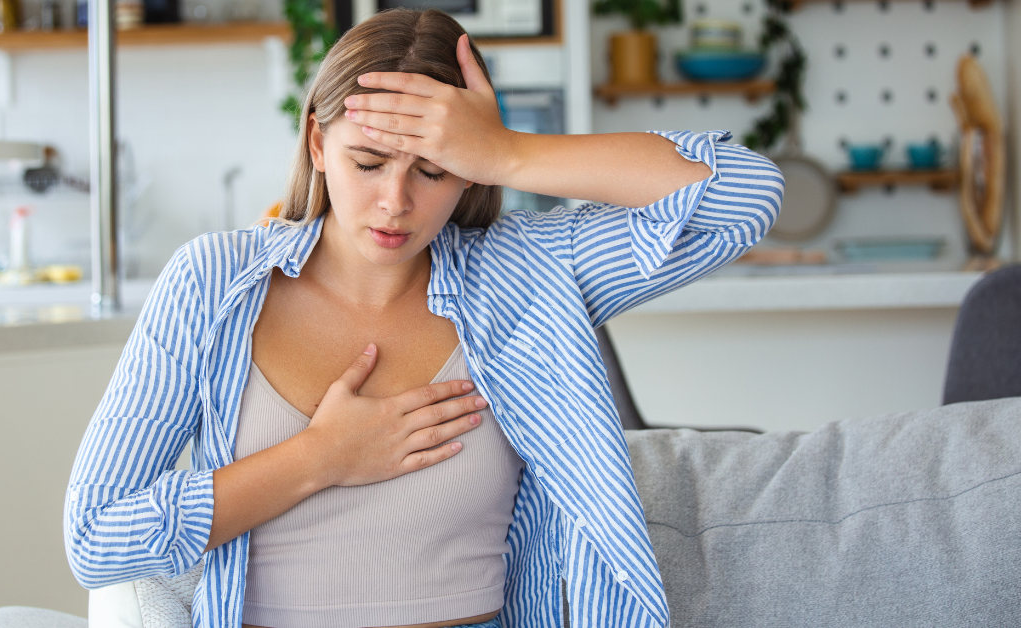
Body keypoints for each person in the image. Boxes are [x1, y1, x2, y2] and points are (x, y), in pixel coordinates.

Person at [64, 8, 783, 628]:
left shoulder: (524, 273)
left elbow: (744, 198)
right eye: (368, 162)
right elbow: (96, 537)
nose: (395, 203)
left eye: (433, 169)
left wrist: (507, 152)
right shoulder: (215, 282)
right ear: (318, 144)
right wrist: (322, 458)